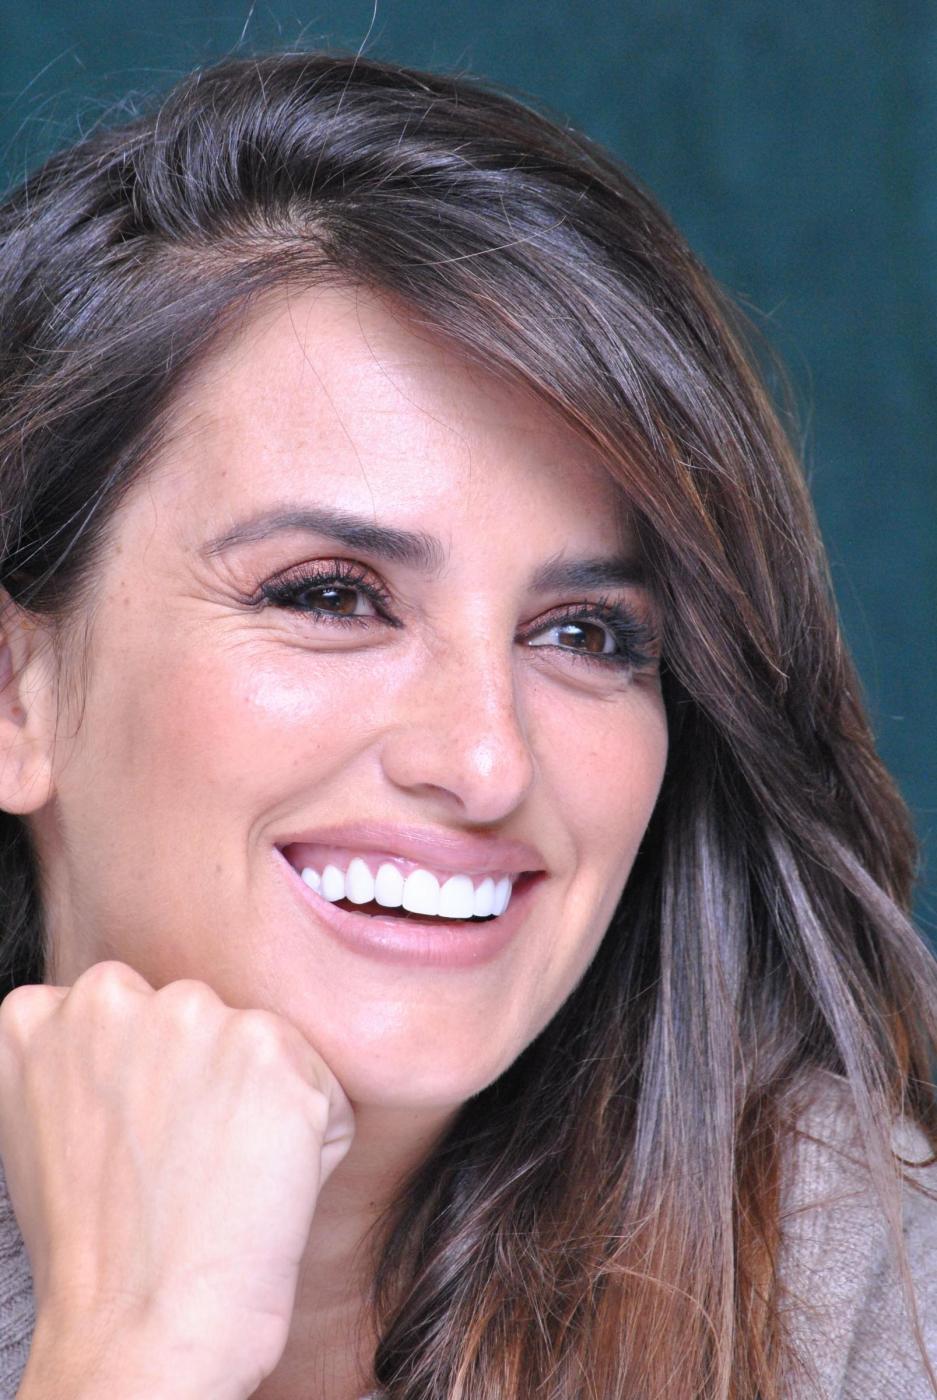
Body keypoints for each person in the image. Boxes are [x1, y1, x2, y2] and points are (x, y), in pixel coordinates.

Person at [0, 48, 933, 1400]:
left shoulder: (862, 1285)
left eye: (585, 634)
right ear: (17, 692)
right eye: (331, 596)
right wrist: (131, 1358)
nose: (485, 760)